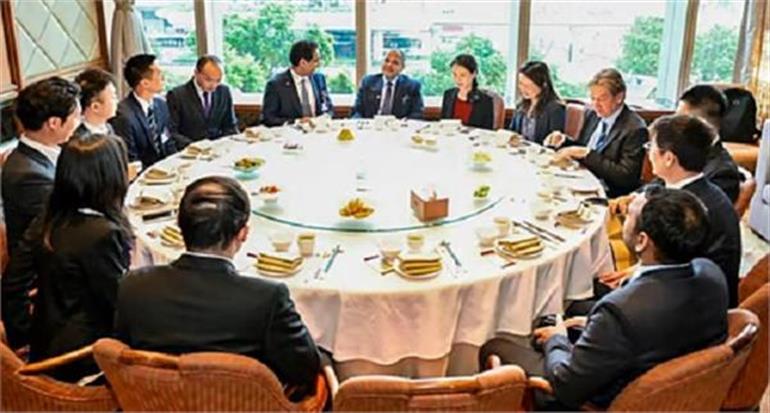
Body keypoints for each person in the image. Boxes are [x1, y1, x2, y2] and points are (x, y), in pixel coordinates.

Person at [480, 187, 728, 410]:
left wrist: (557, 339)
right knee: (574, 309)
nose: (622, 219)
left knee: (495, 345)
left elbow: (565, 385)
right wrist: (593, 325)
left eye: (628, 216)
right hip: (672, 383)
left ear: (642, 241)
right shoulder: (712, 275)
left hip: (606, 398)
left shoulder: (621, 312)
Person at [115, 176, 321, 399]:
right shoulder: (267, 298)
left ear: (180, 227)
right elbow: (304, 369)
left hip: (157, 402)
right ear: (243, 233)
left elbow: (123, 355)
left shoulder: (134, 286)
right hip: (242, 404)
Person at [3, 135, 132, 381]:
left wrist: (20, 338)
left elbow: (13, 281)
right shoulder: (102, 233)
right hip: (83, 359)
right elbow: (116, 305)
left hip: (44, 344)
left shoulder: (49, 218)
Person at [1, 77, 80, 259]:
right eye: (76, 116)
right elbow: (62, 227)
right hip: (45, 263)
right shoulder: (29, 175)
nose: (79, 122)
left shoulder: (46, 151)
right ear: (54, 123)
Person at [546, 68, 648, 197]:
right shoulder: (593, 114)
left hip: (608, 193)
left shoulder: (635, 129)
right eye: (593, 98)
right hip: (581, 180)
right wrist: (564, 140)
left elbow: (625, 177)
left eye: (602, 99)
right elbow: (583, 148)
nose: (596, 104)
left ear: (619, 97)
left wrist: (587, 154)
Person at [675, 84, 742, 203]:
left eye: (681, 121)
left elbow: (701, 211)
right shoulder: (680, 150)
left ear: (705, 125)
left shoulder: (723, 174)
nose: (674, 126)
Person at [111, 53, 177, 168]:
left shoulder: (161, 104)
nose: (163, 78)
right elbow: (131, 158)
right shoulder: (123, 115)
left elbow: (168, 140)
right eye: (159, 74)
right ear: (145, 83)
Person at [166, 55, 238, 146]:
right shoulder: (176, 95)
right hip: (189, 149)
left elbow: (230, 126)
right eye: (208, 80)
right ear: (196, 73)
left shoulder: (224, 92)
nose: (213, 85)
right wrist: (195, 147)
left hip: (218, 148)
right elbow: (171, 132)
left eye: (218, 80)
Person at [261, 40, 334, 126]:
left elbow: (328, 107)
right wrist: (297, 122)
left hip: (318, 131)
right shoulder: (275, 85)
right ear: (303, 63)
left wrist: (325, 118)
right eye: (315, 61)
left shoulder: (319, 79)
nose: (318, 64)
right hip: (289, 132)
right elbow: (269, 118)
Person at [351, 49, 424, 119]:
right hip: (371, 125)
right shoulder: (368, 82)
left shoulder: (412, 86)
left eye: (395, 63)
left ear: (402, 68)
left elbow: (417, 113)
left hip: (398, 127)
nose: (389, 65)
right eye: (386, 61)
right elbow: (357, 111)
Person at [509, 61, 565, 144]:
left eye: (528, 86)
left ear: (543, 85)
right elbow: (512, 131)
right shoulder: (520, 105)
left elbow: (554, 141)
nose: (523, 89)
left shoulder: (555, 109)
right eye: (521, 83)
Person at [440, 54, 495, 130]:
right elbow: (443, 125)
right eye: (455, 75)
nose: (458, 79)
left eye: (462, 75)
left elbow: (487, 132)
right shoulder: (448, 95)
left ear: (474, 74)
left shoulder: (486, 101)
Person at [73, 68, 117, 139]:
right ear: (95, 107)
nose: (117, 101)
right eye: (113, 97)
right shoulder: (80, 140)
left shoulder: (108, 127)